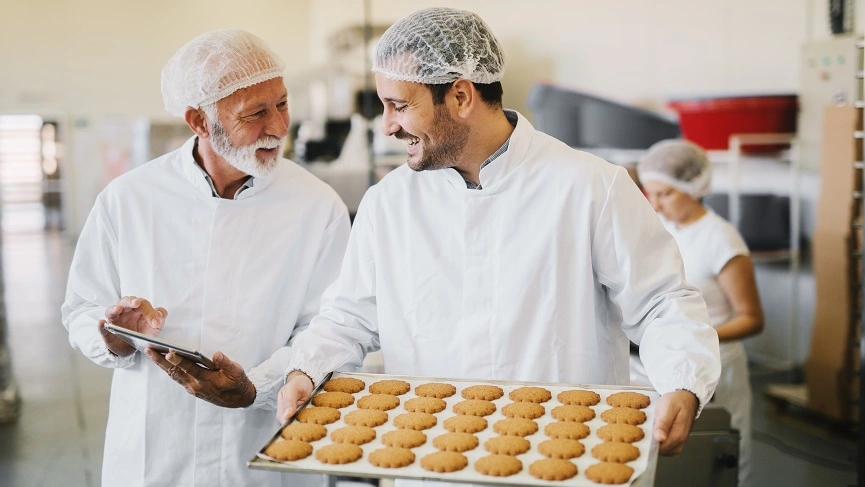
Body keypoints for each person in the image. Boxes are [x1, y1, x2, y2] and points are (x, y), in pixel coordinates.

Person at [278, 5, 720, 469]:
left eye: (400, 105)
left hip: (561, 457)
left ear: (462, 96)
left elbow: (660, 302)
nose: (387, 125)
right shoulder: (388, 204)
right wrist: (308, 368)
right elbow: (349, 316)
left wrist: (683, 382)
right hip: (433, 460)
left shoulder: (589, 187)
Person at [61, 29, 350, 487]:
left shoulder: (317, 207)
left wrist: (254, 387)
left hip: (262, 447)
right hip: (156, 451)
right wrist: (114, 334)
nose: (278, 126)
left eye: (281, 103)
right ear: (199, 120)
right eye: (255, 113)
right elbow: (80, 309)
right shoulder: (130, 199)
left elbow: (331, 327)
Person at [634, 139, 764, 486]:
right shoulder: (666, 232)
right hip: (674, 366)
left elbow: (752, 317)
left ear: (693, 187)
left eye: (665, 194)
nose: (656, 205)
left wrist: (693, 336)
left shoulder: (721, 239)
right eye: (651, 193)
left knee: (721, 461)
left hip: (719, 367)